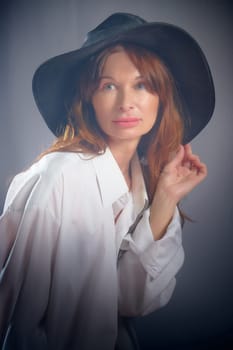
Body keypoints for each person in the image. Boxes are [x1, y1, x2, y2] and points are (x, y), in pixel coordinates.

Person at [0, 12, 215, 350]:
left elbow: (130, 301)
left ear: (162, 98)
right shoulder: (62, 175)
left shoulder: (142, 182)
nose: (126, 102)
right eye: (108, 86)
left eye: (142, 84)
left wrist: (165, 200)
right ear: (88, 99)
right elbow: (17, 313)